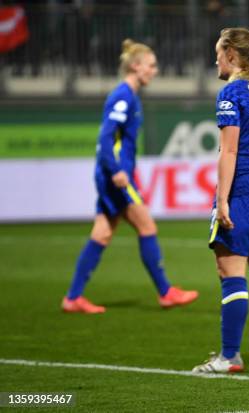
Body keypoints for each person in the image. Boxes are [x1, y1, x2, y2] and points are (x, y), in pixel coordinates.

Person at [62, 39, 199, 314]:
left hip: (111, 175)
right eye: (151, 65)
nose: (155, 71)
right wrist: (117, 172)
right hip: (116, 177)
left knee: (101, 234)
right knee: (147, 227)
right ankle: (165, 292)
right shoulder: (123, 96)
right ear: (135, 66)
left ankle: (73, 298)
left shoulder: (128, 96)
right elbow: (105, 137)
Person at [191, 28, 249, 373]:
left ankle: (229, 356)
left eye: (218, 52)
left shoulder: (231, 92)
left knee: (229, 270)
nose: (214, 58)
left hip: (244, 188)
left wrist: (222, 200)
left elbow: (229, 150)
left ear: (232, 54)